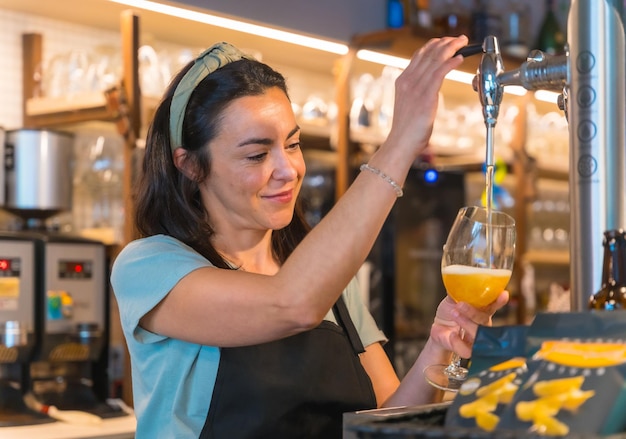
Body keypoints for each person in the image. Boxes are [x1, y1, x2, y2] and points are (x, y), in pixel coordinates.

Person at [110, 35, 509, 439]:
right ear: (191, 165)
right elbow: (290, 304)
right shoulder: (149, 267)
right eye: (257, 154)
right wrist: (400, 143)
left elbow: (387, 427)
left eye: (293, 144)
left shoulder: (330, 284)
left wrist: (440, 344)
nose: (288, 170)